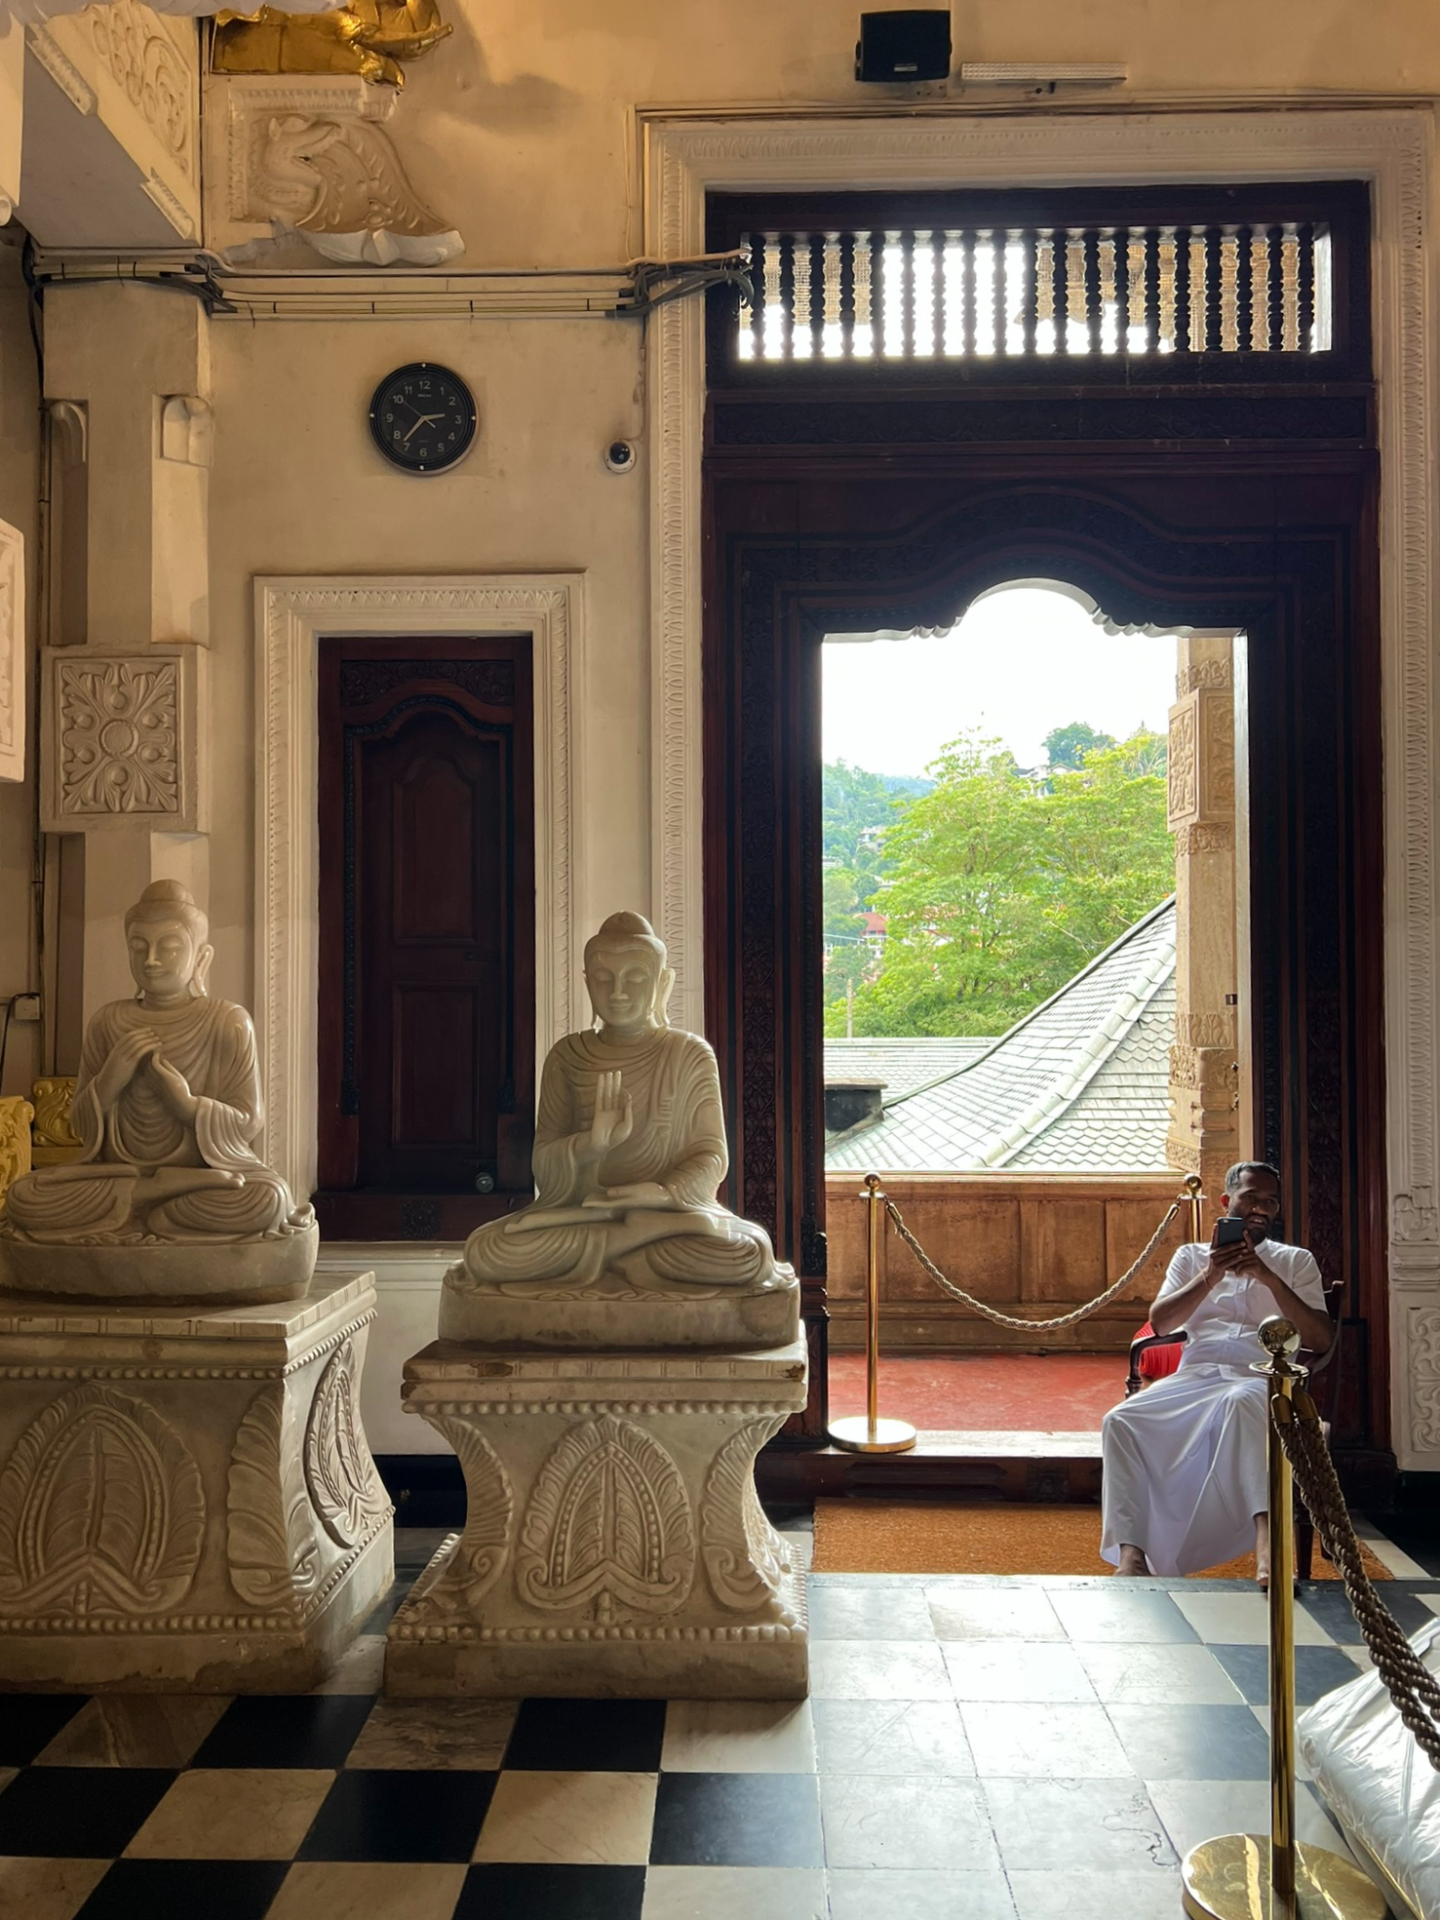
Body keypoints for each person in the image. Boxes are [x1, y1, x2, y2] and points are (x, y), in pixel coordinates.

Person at [443, 911, 779, 1306]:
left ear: (662, 984)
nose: (618, 991)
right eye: (604, 978)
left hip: (670, 1217)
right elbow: (545, 1164)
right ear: (587, 983)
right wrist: (592, 1144)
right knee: (486, 1250)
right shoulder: (567, 1056)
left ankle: (628, 1245)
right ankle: (631, 1246)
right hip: (586, 1215)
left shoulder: (688, 1055)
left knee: (749, 1253)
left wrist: (662, 1192)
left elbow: (710, 1155)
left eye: (635, 978)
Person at [1099, 1161, 1331, 1586]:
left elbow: (1321, 1338)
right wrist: (1212, 1274)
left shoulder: (1296, 1262)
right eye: (1251, 1198)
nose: (1261, 1208)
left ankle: (1268, 1550)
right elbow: (1162, 1323)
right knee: (1121, 1420)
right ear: (1227, 1203)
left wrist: (1269, 1279)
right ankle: (1133, 1554)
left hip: (1262, 1378)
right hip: (1197, 1376)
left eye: (1270, 1201)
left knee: (1242, 1402)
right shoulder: (1190, 1257)